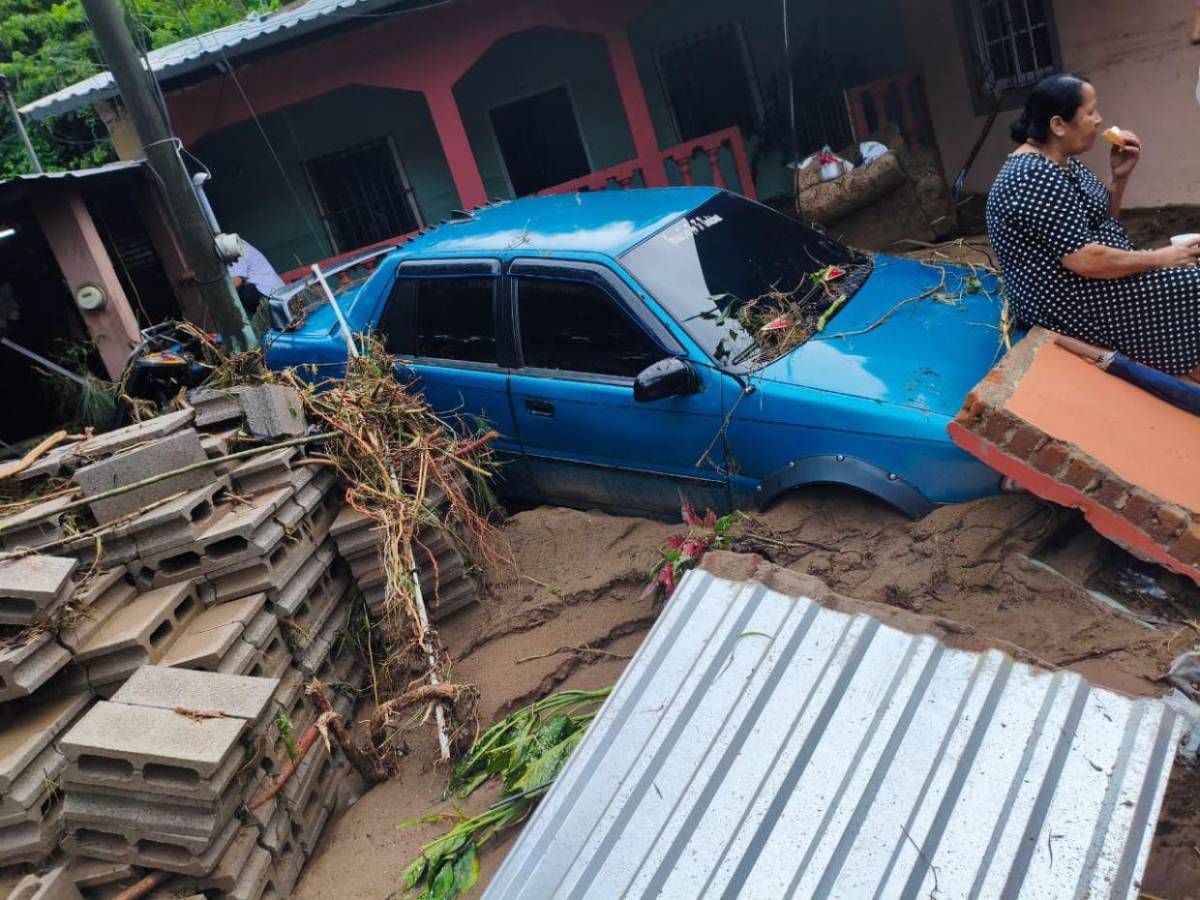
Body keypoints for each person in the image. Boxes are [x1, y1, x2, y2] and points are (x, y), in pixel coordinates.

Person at [986, 74, 1200, 379]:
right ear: (1058, 125)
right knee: (1192, 285)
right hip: (1067, 302)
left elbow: (1101, 219)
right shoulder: (1032, 176)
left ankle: (1185, 365)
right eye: (1091, 112)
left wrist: (1119, 177)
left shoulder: (1062, 160)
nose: (1099, 120)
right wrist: (1161, 257)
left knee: (1187, 273)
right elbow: (1083, 259)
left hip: (1093, 281)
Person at [227, 238, 284, 318]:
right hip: (273, 293)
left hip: (268, 294)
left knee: (242, 293)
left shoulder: (230, 246)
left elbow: (237, 281)